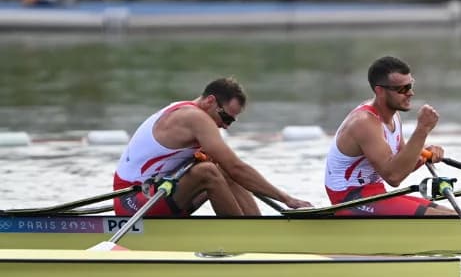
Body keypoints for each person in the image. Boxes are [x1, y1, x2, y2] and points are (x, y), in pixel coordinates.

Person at [114, 77, 312, 216]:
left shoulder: (188, 110)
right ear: (210, 101)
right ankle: (245, 237)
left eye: (231, 122)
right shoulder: (193, 117)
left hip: (157, 194)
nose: (225, 125)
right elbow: (237, 167)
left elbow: (232, 170)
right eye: (225, 117)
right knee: (209, 171)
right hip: (133, 202)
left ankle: (258, 228)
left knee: (222, 167)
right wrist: (286, 198)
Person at [324, 56, 457, 216]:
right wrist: (422, 130)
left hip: (374, 194)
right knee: (450, 218)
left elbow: (402, 162)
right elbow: (394, 177)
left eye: (410, 85)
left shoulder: (393, 116)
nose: (410, 93)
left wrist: (425, 154)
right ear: (380, 91)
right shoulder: (364, 123)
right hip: (350, 200)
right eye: (402, 89)